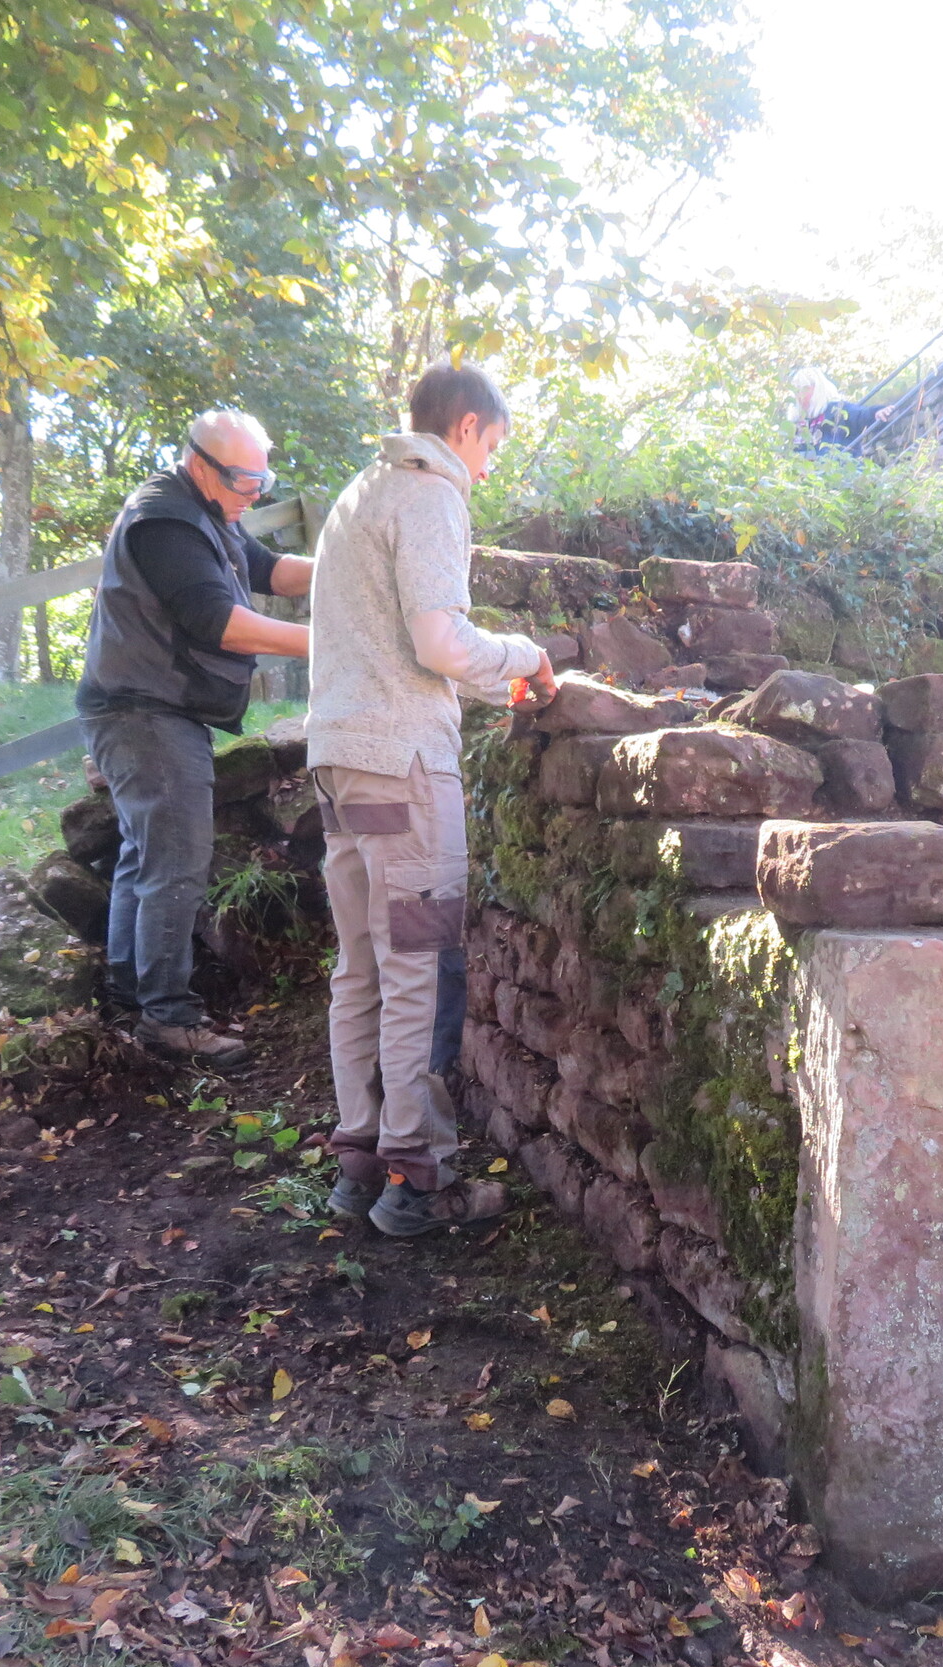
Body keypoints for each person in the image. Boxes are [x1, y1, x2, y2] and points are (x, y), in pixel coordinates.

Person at [305, 361, 554, 1236]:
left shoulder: (359, 495)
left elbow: (392, 640)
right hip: (403, 768)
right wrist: (525, 657)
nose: (490, 465)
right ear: (466, 427)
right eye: (494, 445)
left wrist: (492, 682)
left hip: (340, 767)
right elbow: (440, 642)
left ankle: (359, 1161)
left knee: (361, 965)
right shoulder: (429, 493)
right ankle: (415, 1180)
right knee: (418, 963)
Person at [76, 409, 313, 1069]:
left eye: (264, 482)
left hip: (149, 708)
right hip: (142, 712)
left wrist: (350, 568)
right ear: (198, 463)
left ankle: (131, 994)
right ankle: (168, 1020)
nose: (255, 495)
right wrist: (332, 640)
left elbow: (272, 571)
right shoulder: (165, 522)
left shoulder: (212, 511)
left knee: (146, 856)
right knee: (176, 861)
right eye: (244, 481)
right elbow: (220, 621)